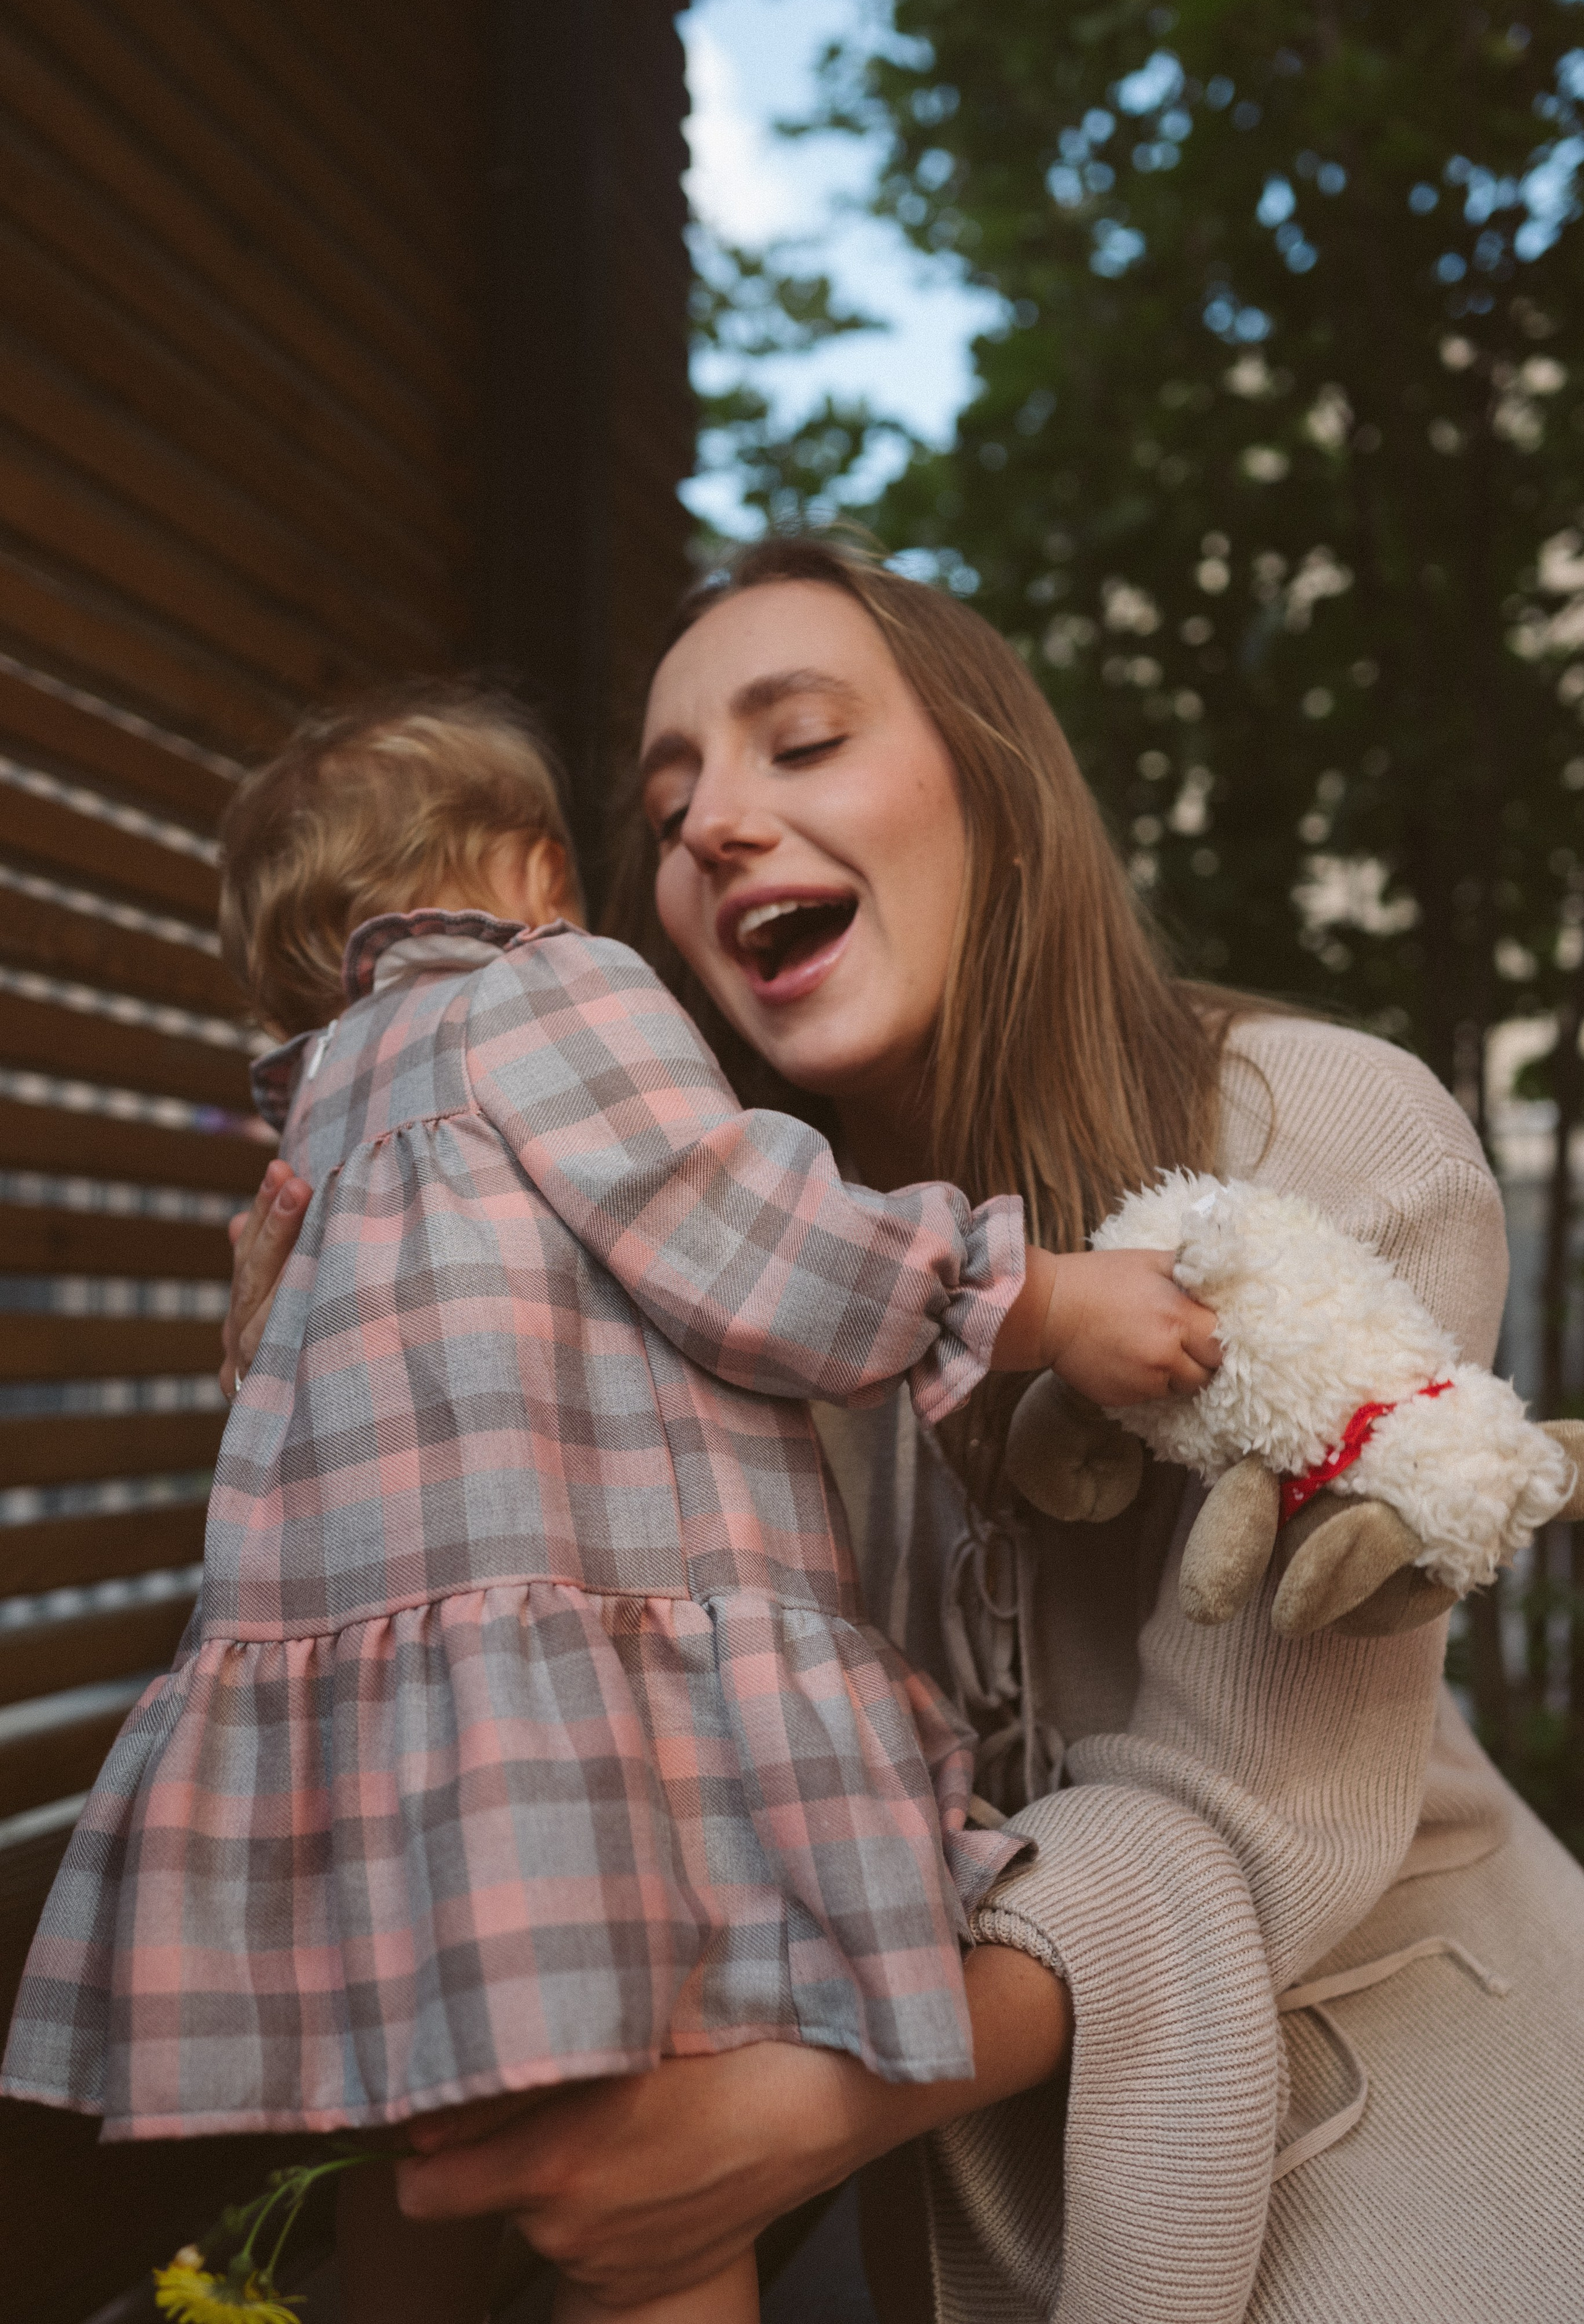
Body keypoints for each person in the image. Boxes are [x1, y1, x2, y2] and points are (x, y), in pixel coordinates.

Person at [212, 548, 1584, 2324]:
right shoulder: (675, 1283)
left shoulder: (1319, 1132)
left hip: (1405, 2109)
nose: (714, 822)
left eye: (801, 740)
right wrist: (322, 1378)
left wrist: (799, 2113)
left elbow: (1250, 1829)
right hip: (956, 2186)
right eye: (669, 808)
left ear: (997, 794)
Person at [0, 681, 1223, 2324]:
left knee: (428, 2146)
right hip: (591, 1741)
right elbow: (732, 1223)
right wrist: (1038, 1296)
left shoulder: (322, 1136)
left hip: (400, 1765)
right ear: (532, 874)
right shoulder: (548, 987)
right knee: (669, 2160)